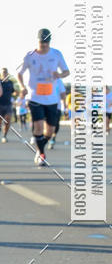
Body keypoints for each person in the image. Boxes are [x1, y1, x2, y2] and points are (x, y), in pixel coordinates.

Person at [17, 28, 70, 165]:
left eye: (46, 43)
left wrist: (60, 75)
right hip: (35, 97)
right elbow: (19, 73)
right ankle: (41, 153)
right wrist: (22, 87)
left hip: (51, 99)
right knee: (38, 127)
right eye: (42, 43)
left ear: (50, 42)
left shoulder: (56, 54)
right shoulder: (30, 56)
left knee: (50, 131)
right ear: (38, 41)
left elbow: (66, 71)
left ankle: (39, 148)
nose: (44, 45)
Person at [0, 68, 14, 142]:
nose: (4, 73)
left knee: (8, 120)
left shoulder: (10, 82)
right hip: (0, 104)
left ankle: (4, 136)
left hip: (8, 104)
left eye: (5, 72)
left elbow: (13, 91)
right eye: (3, 72)